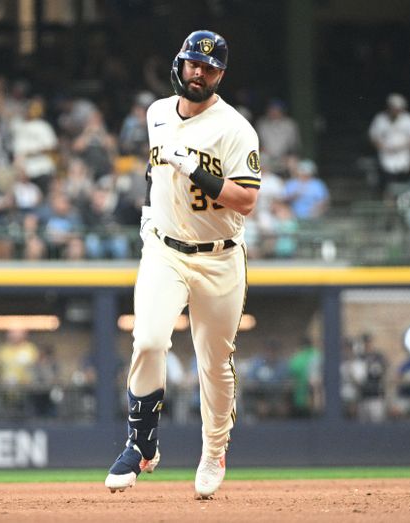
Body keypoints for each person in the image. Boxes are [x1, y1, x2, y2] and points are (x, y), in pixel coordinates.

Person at [104, 30, 261, 500]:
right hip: (164, 248)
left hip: (219, 256)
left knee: (215, 365)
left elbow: (247, 199)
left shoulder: (235, 129)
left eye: (210, 68)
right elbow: (156, 173)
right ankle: (142, 444)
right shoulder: (156, 113)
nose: (199, 72)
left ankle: (213, 452)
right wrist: (153, 210)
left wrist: (197, 170)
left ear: (220, 76)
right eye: (194, 63)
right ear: (180, 63)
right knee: (149, 340)